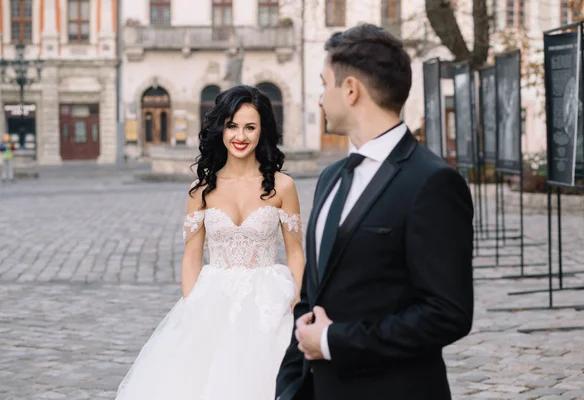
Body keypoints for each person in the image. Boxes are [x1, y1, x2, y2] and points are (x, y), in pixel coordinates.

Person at [276, 24, 474, 400]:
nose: (320, 98)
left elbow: (447, 313)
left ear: (350, 90)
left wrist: (336, 341)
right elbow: (311, 296)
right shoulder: (331, 177)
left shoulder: (432, 183)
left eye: (324, 84)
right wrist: (288, 386)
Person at [115, 85, 305, 400]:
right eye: (232, 125)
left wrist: (294, 300)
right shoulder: (200, 190)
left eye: (250, 127)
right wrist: (192, 306)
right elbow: (191, 255)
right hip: (212, 300)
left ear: (262, 131)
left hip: (269, 301)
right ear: (220, 129)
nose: (240, 135)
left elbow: (295, 252)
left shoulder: (283, 186)